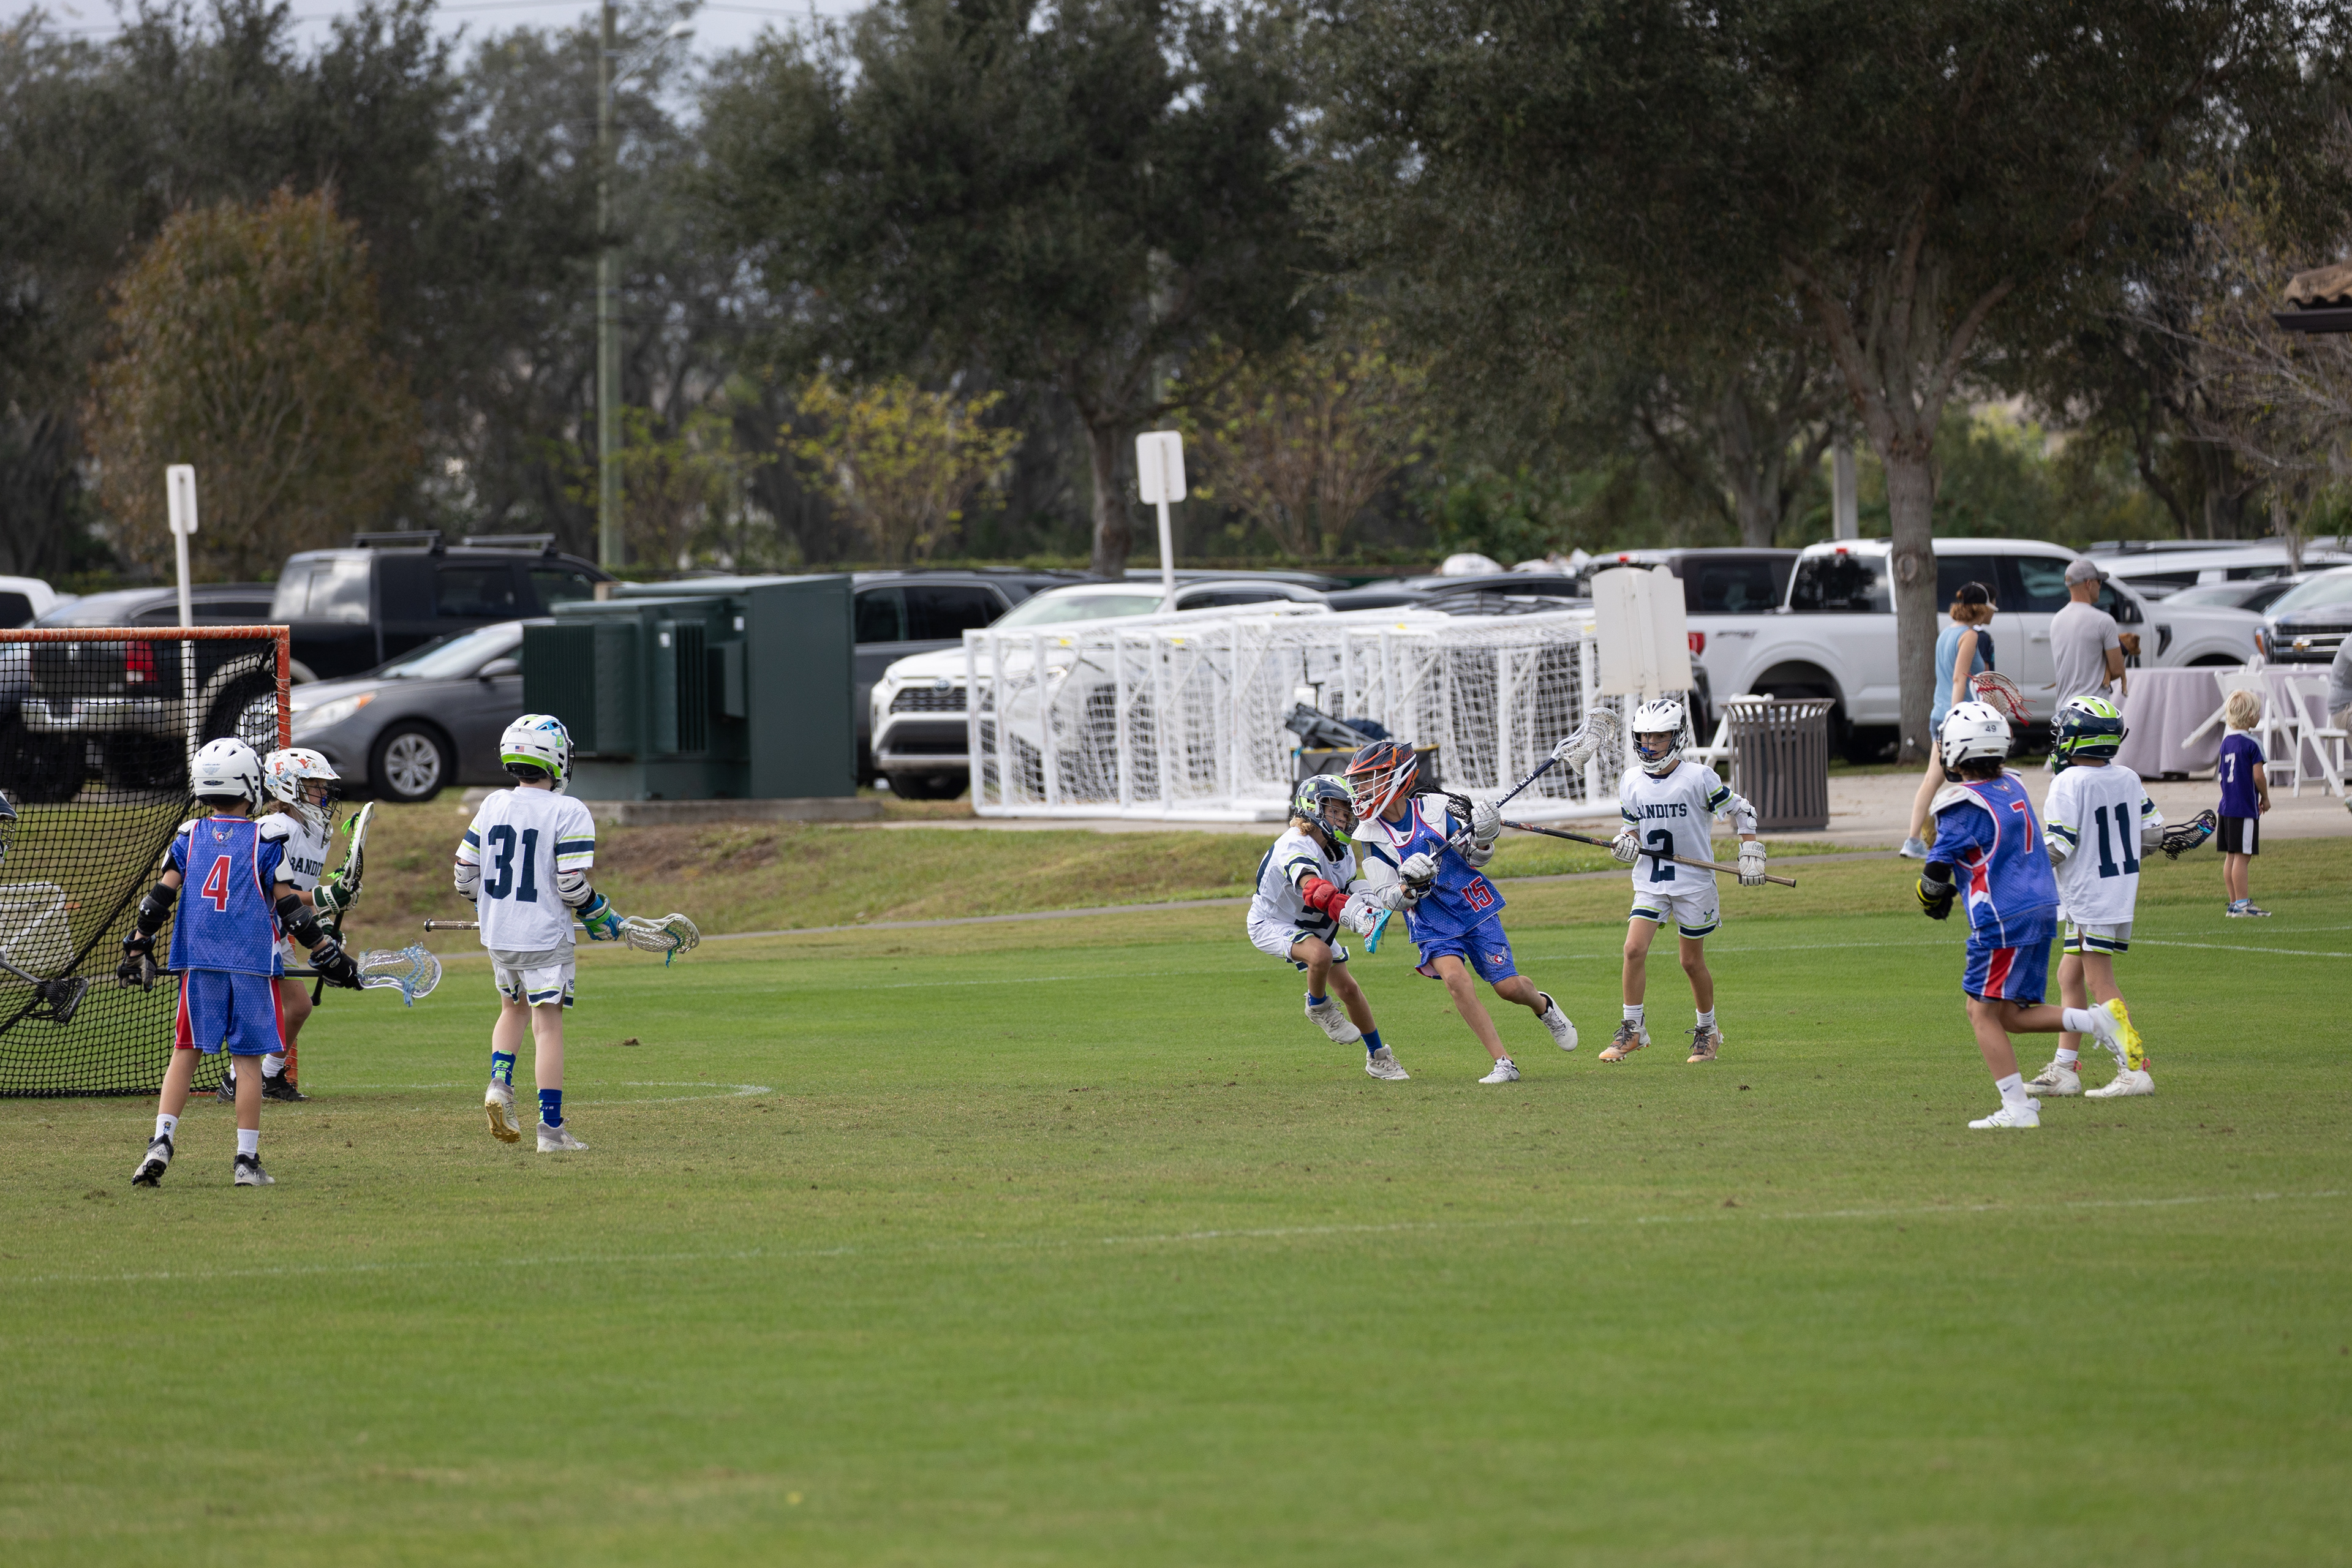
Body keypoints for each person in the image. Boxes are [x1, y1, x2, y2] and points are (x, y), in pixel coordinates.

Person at [126, 738, 363, 1188]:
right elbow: (290, 909)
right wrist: (325, 952)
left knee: (184, 1053)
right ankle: (246, 1161)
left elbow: (158, 899)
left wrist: (138, 944)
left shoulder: (188, 835)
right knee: (248, 1063)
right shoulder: (265, 840)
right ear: (251, 784)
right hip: (252, 963)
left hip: (199, 963)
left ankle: (160, 1142)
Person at [1915, 702, 2130, 1129]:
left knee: (1980, 1013)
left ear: (1956, 750)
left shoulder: (1961, 804)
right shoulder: (2012, 784)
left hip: (2002, 917)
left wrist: (1929, 897)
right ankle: (2096, 1020)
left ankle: (2018, 1108)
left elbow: (1936, 872)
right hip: (2041, 910)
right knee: (2011, 1014)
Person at [1346, 739, 1577, 1084]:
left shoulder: (1434, 810)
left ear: (1396, 777)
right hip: (1431, 922)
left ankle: (1543, 1006)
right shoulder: (1371, 836)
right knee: (1456, 981)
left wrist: (1484, 836)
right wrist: (1410, 883)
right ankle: (1503, 1062)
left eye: (1368, 780)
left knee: (1508, 988)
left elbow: (1475, 857)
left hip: (1473, 907)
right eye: (1359, 782)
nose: (1361, 790)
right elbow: (1388, 898)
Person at [456, 714, 621, 1152]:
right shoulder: (569, 810)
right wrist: (599, 913)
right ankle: (550, 1131)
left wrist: (494, 908)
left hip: (499, 936)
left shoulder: (493, 803)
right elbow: (570, 885)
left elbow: (464, 877)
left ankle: (499, 1084)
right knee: (547, 1026)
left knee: (512, 1010)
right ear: (557, 759)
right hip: (545, 938)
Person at [1599, 698, 1766, 1065]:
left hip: (1693, 883)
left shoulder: (1698, 778)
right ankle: (1633, 1029)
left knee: (1690, 962)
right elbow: (1632, 828)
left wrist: (1751, 851)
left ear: (1677, 737)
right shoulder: (1631, 780)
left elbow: (1743, 810)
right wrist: (1625, 841)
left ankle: (1708, 1030)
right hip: (1651, 880)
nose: (1650, 745)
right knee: (1633, 949)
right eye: (1644, 737)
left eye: (1659, 737)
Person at [2026, 697, 2160, 1099]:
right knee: (2069, 977)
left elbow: (2059, 845)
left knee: (2100, 982)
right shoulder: (2128, 778)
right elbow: (2153, 834)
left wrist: (2017, 865)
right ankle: (2065, 1069)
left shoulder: (2068, 782)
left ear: (2075, 739)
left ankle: (2133, 1069)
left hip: (2089, 896)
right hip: (2113, 892)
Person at [1245, 774, 1410, 1080]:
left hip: (1313, 925)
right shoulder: (1295, 844)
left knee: (1349, 989)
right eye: (1336, 810)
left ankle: (1378, 1057)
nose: (1345, 817)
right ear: (1313, 808)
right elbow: (1314, 890)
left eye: (1346, 811)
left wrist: (1379, 900)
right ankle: (1318, 1005)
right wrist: (1350, 913)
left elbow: (1347, 887)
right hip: (1272, 921)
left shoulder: (1341, 851)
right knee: (1319, 955)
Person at [217, 748, 356, 1104]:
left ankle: (268, 1076)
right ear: (289, 786)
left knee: (299, 1006)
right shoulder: (275, 828)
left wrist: (320, 924)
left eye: (323, 786)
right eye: (314, 785)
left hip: (277, 928)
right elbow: (270, 888)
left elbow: (297, 894)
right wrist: (326, 897)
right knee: (260, 1008)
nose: (323, 793)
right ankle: (237, 1080)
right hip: (250, 928)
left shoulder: (312, 832)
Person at [1902, 581, 1997, 859]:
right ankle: (1981, 836)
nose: (1993, 612)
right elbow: (1959, 679)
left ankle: (1913, 841)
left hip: (1939, 716)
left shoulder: (1946, 633)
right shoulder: (1970, 635)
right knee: (1979, 779)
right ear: (1980, 609)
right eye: (1990, 607)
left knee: (1932, 780)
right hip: (1959, 721)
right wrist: (1956, 717)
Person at [2216, 688, 2271, 916]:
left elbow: (2222, 777)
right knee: (2242, 856)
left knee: (2231, 855)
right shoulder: (2252, 743)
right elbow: (2258, 776)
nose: (2259, 715)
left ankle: (2233, 903)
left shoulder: (2226, 742)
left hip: (2226, 807)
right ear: (2250, 715)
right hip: (2244, 808)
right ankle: (2242, 904)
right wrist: (2265, 797)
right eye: (2257, 712)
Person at [2050, 559, 2127, 712]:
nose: (2100, 586)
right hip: (2094, 711)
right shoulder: (2104, 621)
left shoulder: (2057, 620)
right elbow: (2118, 670)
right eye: (2099, 581)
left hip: (2064, 711)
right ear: (2088, 584)